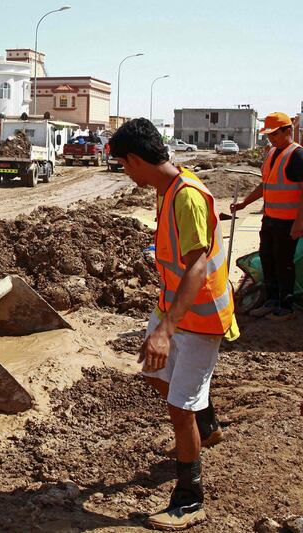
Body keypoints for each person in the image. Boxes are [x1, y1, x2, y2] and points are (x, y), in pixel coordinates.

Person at [109, 118, 238, 531]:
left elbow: (197, 267)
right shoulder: (166, 191)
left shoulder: (186, 197)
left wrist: (165, 330)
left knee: (178, 407)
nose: (125, 173)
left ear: (135, 158)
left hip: (199, 320)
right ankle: (207, 424)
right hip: (173, 310)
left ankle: (189, 498)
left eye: (124, 165)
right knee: (152, 373)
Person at [232, 112, 303, 320]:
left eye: (275, 134)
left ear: (287, 131)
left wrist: (299, 222)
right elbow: (266, 184)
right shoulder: (272, 153)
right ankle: (272, 300)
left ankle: (286, 305)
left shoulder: (297, 156)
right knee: (267, 258)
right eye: (269, 134)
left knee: (284, 262)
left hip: (288, 222)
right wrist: (245, 202)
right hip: (270, 218)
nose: (271, 138)